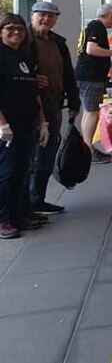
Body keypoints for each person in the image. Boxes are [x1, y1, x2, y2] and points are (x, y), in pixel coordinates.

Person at [26, 1, 80, 215]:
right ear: (32, 15)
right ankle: (26, 204)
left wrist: (74, 102)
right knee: (30, 156)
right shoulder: (24, 40)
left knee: (47, 156)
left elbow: (68, 73)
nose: (47, 19)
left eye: (52, 16)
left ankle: (38, 200)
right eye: (42, 15)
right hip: (30, 107)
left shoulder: (58, 42)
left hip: (55, 105)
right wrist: (31, 79)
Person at [0, 13, 51, 238]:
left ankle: (19, 214)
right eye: (10, 28)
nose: (16, 32)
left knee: (23, 170)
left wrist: (42, 122)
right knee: (6, 172)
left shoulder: (25, 56)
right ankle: (3, 220)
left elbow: (34, 92)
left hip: (27, 123)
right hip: (7, 127)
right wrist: (2, 125)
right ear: (0, 31)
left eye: (20, 28)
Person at [75, 4, 112, 161]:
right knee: (93, 112)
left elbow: (92, 54)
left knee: (88, 111)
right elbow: (91, 50)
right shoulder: (98, 26)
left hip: (86, 75)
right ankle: (88, 150)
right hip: (91, 77)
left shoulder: (90, 26)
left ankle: (86, 147)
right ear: (110, 16)